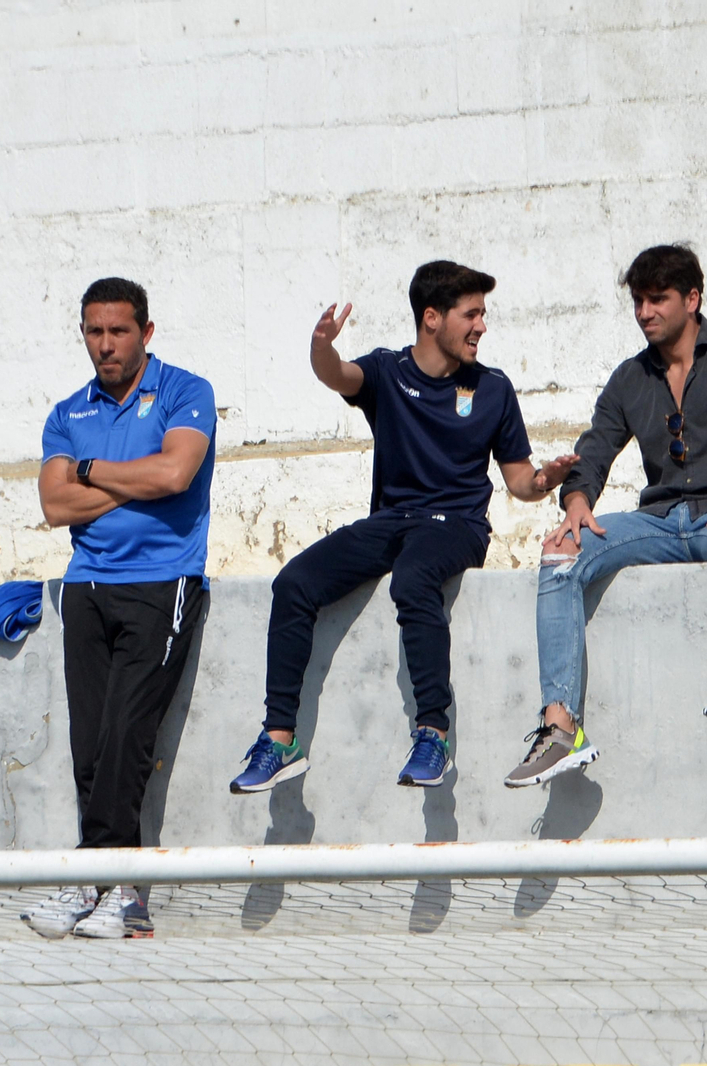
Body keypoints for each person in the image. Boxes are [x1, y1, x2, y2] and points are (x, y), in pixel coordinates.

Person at [229, 260, 579, 793]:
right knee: (293, 584)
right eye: (472, 314)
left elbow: (519, 482)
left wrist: (544, 479)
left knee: (412, 579)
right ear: (432, 318)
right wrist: (321, 346)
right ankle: (279, 741)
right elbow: (337, 374)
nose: (482, 326)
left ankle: (433, 734)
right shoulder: (388, 373)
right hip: (391, 521)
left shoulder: (492, 389)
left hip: (456, 525)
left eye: (483, 313)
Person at [504, 244, 707, 788]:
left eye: (657, 299)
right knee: (560, 550)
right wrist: (575, 503)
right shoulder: (628, 379)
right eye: (638, 301)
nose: (644, 312)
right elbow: (592, 454)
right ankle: (560, 727)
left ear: (693, 298)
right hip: (664, 521)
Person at [20, 277, 216, 939]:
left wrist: (91, 471)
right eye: (94, 332)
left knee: (130, 735)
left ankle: (112, 887)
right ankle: (107, 887)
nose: (106, 345)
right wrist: (132, 477)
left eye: (119, 331)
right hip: (87, 588)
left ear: (146, 333)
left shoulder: (187, 393)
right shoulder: (67, 412)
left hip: (164, 583)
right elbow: (53, 506)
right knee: (89, 748)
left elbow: (175, 475)